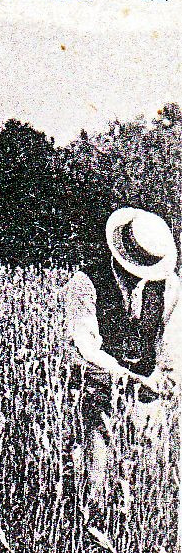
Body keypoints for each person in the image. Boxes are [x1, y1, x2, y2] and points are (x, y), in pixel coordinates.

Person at [66, 206, 181, 499]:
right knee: (94, 481)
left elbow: (171, 339)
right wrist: (123, 378)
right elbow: (84, 345)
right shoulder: (86, 281)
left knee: (142, 481)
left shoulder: (169, 285)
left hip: (147, 392)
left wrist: (163, 379)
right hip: (98, 389)